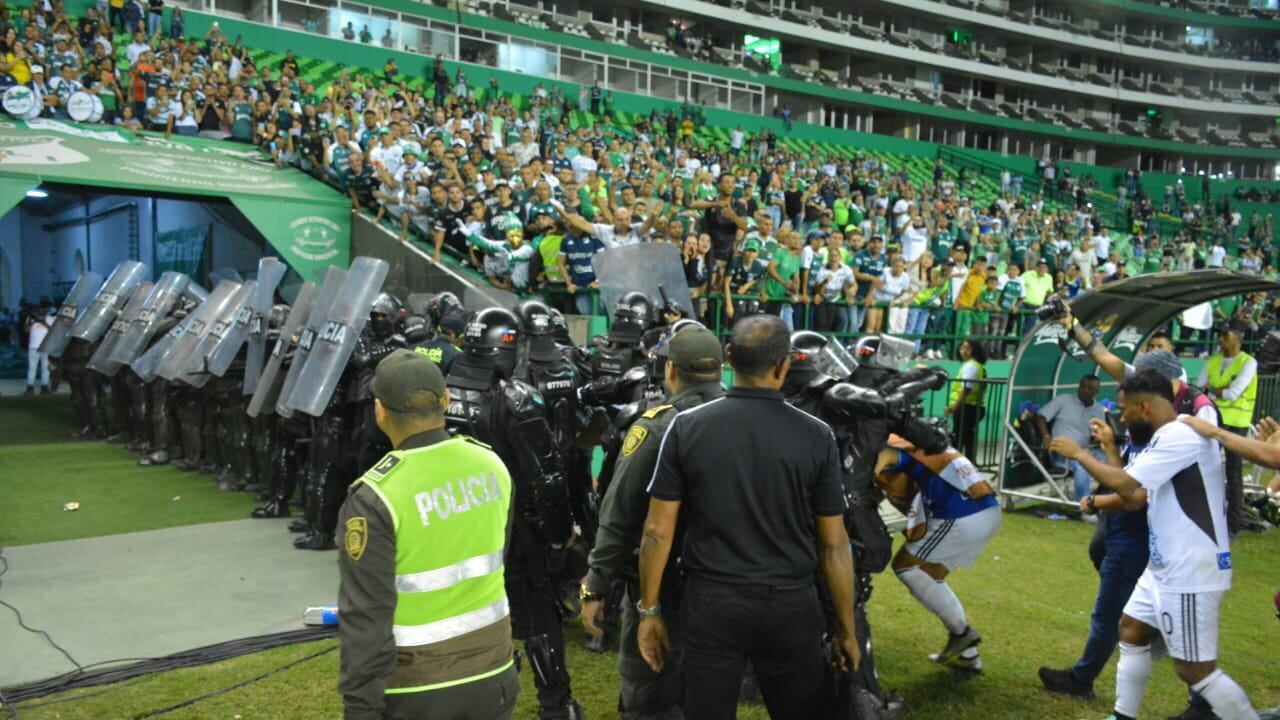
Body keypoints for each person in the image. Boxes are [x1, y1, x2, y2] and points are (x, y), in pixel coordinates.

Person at [635, 315, 859, 720]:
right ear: (783, 364)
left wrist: (649, 611)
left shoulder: (686, 427)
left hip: (711, 602)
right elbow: (834, 545)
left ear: (728, 357)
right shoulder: (816, 435)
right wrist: (846, 627)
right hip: (791, 604)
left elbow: (656, 532)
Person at [1049, 370, 1260, 720]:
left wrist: (1079, 454)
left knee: (1195, 670)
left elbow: (1123, 481)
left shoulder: (1179, 436)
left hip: (1192, 567)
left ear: (1144, 406)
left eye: (1124, 410)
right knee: (1130, 629)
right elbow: (1133, 498)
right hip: (1164, 565)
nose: (1122, 418)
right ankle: (1122, 716)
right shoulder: (1166, 436)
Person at [336, 349, 519, 720]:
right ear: (446, 400)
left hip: (418, 688)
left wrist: (360, 708)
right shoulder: (492, 464)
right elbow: (500, 557)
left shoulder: (375, 497)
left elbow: (366, 618)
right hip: (495, 674)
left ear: (380, 410)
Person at [581, 324, 724, 719]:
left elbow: (620, 515)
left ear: (671, 371)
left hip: (662, 585)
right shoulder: (747, 419)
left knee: (648, 690)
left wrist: (594, 587)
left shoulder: (657, 425)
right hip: (729, 587)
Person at [877, 437, 999, 673]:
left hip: (962, 515)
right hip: (986, 509)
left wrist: (868, 469)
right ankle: (968, 657)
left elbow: (891, 456)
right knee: (931, 575)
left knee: (905, 566)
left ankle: (962, 634)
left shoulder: (898, 446)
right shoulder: (926, 441)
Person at [1197, 325, 1260, 535]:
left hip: (1237, 422)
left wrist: (1214, 391)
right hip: (1214, 418)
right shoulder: (1213, 360)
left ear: (1239, 338)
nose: (1221, 341)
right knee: (1205, 466)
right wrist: (1218, 392)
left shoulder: (1248, 362)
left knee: (1233, 473)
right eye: (1220, 336)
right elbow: (1200, 388)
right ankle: (1207, 517)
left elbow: (1233, 393)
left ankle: (1234, 523)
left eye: (1225, 336)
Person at [1034, 375, 1107, 506]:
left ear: (1096, 391)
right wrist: (1046, 435)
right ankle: (1083, 507)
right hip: (1062, 453)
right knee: (1082, 465)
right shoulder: (1063, 400)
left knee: (1111, 462)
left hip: (1085, 450)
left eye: (1090, 388)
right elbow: (1040, 416)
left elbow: (1097, 434)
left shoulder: (1098, 410)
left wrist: (1097, 440)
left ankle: (1107, 503)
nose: (1084, 390)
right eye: (1082, 386)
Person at [945, 339, 986, 462]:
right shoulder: (979, 366)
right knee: (969, 439)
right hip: (973, 407)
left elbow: (966, 390)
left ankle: (955, 464)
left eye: (968, 348)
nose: (963, 351)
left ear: (975, 350)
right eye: (962, 348)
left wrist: (953, 408)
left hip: (966, 408)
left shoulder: (971, 366)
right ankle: (969, 464)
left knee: (958, 439)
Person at [25, 305, 53, 395]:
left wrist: (43, 322)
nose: (40, 312)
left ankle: (44, 387)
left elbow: (52, 330)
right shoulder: (30, 318)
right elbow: (26, 330)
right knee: (32, 368)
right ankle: (30, 387)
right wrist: (30, 322)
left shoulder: (50, 318)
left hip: (45, 346)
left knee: (45, 368)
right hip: (33, 347)